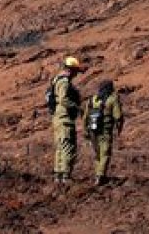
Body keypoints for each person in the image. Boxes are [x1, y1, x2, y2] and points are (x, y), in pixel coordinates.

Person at [49, 56, 83, 184]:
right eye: (75, 71)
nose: (76, 75)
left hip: (58, 118)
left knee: (60, 146)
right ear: (70, 70)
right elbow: (63, 99)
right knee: (68, 147)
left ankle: (58, 174)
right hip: (64, 118)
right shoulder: (64, 82)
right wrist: (76, 107)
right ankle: (65, 176)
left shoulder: (56, 80)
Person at [84, 78, 123, 186]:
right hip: (105, 131)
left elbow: (85, 117)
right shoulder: (112, 99)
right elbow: (118, 116)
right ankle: (100, 176)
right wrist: (119, 127)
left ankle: (98, 174)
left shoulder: (92, 100)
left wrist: (85, 132)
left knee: (97, 155)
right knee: (105, 154)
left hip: (92, 131)